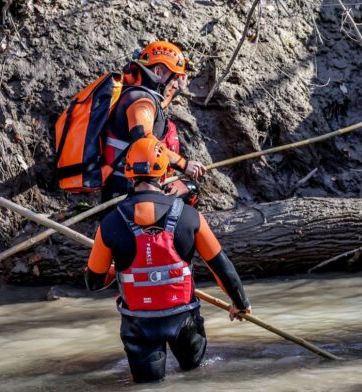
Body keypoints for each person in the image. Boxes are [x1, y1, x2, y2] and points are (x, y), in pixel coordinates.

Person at [84, 137, 251, 383]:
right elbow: (220, 265)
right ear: (163, 174)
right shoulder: (190, 216)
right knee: (197, 377)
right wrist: (240, 302)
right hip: (184, 319)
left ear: (129, 175)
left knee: (147, 386)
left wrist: (118, 269)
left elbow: (94, 282)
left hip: (140, 324)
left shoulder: (109, 224)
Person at [102, 40, 207, 201]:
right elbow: (144, 140)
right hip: (126, 190)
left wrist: (177, 88)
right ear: (158, 71)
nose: (174, 85)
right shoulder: (141, 101)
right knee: (189, 191)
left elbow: (159, 107)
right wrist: (183, 164)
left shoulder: (138, 95)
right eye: (174, 79)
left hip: (130, 183)